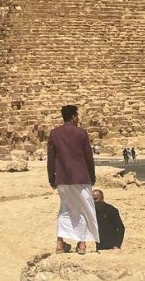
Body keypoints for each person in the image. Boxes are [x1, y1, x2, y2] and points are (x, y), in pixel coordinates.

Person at [47, 104, 99, 255]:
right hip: (81, 177)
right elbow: (89, 157)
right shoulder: (81, 133)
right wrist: (92, 175)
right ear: (74, 117)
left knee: (64, 209)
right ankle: (81, 244)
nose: (78, 118)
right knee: (82, 209)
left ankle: (60, 244)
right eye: (78, 116)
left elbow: (51, 159)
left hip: (62, 179)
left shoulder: (54, 134)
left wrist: (52, 178)